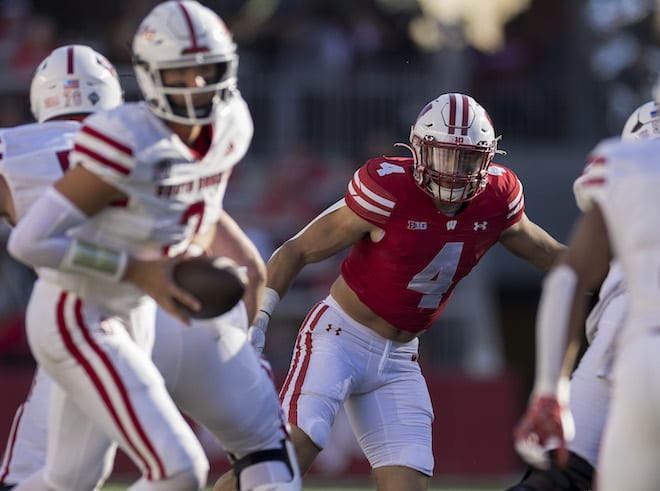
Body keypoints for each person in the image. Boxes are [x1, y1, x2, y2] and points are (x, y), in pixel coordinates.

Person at [4, 2, 300, 490]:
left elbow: (202, 213)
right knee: (181, 468)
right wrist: (138, 269)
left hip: (141, 312)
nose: (197, 86)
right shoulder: (123, 136)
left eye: (207, 70)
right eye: (181, 72)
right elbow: (32, 240)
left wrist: (182, 259)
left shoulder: (231, 123)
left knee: (69, 479)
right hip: (80, 309)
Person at [213, 92, 566, 491]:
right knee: (283, 461)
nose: (453, 170)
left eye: (465, 157)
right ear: (417, 151)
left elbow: (549, 253)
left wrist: (614, 275)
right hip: (339, 338)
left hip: (399, 357)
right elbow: (296, 249)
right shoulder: (388, 190)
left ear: (487, 159)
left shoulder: (496, 199)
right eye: (443, 155)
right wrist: (258, 319)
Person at [507, 99, 660, 490]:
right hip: (630, 343)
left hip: (635, 346)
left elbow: (568, 279)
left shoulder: (625, 164)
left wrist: (548, 390)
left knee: (560, 476)